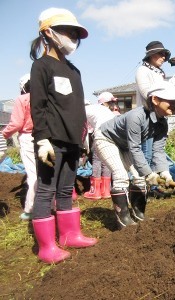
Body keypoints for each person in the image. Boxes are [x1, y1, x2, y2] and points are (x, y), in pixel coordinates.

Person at [29, 7, 97, 264]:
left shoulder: (74, 71)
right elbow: (39, 106)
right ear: (48, 32)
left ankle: (69, 235)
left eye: (75, 34)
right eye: (68, 32)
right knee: (46, 190)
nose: (73, 38)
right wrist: (42, 139)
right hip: (51, 140)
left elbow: (77, 109)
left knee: (67, 188)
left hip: (71, 140)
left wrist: (82, 142)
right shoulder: (42, 67)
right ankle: (46, 247)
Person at [94, 81, 175, 229]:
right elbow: (135, 148)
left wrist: (164, 171)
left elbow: (158, 150)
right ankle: (123, 220)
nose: (174, 104)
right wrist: (149, 173)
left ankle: (138, 215)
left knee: (139, 178)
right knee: (121, 175)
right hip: (106, 139)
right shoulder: (136, 116)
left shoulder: (162, 123)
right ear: (155, 100)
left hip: (125, 144)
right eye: (170, 100)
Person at [135, 41, 175, 165]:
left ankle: (154, 180)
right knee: (146, 152)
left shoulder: (159, 73)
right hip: (147, 115)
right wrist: (169, 85)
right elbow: (147, 93)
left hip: (160, 116)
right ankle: (143, 182)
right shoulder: (143, 70)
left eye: (164, 55)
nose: (163, 57)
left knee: (157, 150)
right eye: (161, 54)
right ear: (152, 55)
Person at [2, 74, 36, 220]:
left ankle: (31, 209)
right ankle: (52, 205)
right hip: (48, 138)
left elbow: (16, 124)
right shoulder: (48, 98)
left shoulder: (23, 99)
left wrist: (4, 134)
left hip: (28, 138)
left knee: (33, 174)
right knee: (48, 173)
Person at [84, 92, 118, 200]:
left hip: (100, 134)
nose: (113, 105)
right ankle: (106, 190)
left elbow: (83, 126)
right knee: (106, 161)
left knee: (97, 161)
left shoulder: (93, 109)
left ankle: (95, 191)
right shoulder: (110, 112)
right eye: (111, 102)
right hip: (112, 135)